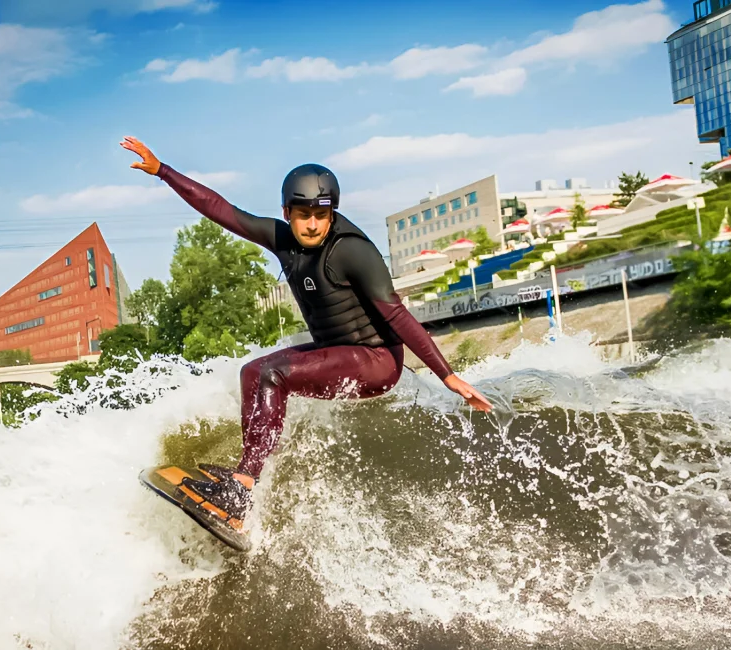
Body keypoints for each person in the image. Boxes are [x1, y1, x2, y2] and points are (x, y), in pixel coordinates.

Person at [120, 136, 493, 531]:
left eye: (321, 213)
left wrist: (447, 374)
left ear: (332, 213)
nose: (313, 224)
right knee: (253, 372)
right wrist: (163, 171)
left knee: (273, 374)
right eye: (303, 214)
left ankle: (243, 486)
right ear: (287, 212)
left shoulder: (351, 251)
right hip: (339, 350)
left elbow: (397, 315)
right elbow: (222, 211)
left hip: (377, 360)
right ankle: (248, 478)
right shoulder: (284, 241)